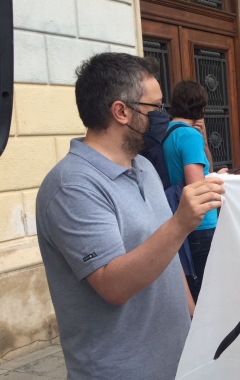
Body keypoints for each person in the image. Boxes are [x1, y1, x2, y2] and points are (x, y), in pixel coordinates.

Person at [35, 53, 225, 379]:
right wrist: (180, 224)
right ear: (122, 112)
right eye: (155, 108)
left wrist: (193, 319)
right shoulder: (71, 186)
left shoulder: (144, 166)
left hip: (175, 361)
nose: (162, 117)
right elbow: (113, 285)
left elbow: (167, 257)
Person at [162, 80, 228, 301]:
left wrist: (205, 141)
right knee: (209, 294)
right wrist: (220, 179)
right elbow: (197, 186)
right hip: (203, 225)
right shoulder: (189, 136)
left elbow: (199, 167)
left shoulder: (170, 131)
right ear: (201, 108)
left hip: (182, 217)